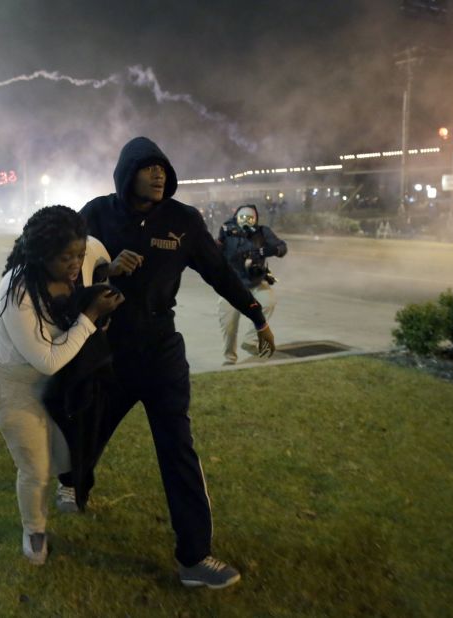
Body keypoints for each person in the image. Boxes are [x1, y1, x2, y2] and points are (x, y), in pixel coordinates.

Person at [70, 136, 276, 589]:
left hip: (161, 347)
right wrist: (106, 272)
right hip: (109, 347)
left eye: (163, 168)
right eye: (148, 168)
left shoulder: (183, 221)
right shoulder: (97, 214)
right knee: (91, 425)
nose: (159, 174)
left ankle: (194, 556)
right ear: (128, 173)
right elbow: (68, 273)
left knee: (178, 446)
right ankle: (73, 479)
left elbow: (220, 272)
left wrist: (256, 315)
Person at [0, 205, 124, 566]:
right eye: (65, 258)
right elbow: (46, 358)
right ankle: (34, 530)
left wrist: (111, 271)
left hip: (58, 376)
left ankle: (68, 485)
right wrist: (90, 318)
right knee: (35, 465)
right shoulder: (17, 290)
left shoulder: (86, 252)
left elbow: (99, 260)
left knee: (69, 450)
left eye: (78, 253)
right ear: (43, 255)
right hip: (12, 379)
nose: (76, 263)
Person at [217, 204, 288, 365]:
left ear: (255, 220)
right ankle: (229, 359)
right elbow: (215, 251)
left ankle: (250, 341)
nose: (247, 222)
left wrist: (264, 251)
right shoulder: (227, 231)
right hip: (232, 286)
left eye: (250, 219)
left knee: (268, 302)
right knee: (228, 326)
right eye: (243, 218)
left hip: (256, 282)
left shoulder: (263, 232)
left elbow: (282, 247)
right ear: (236, 218)